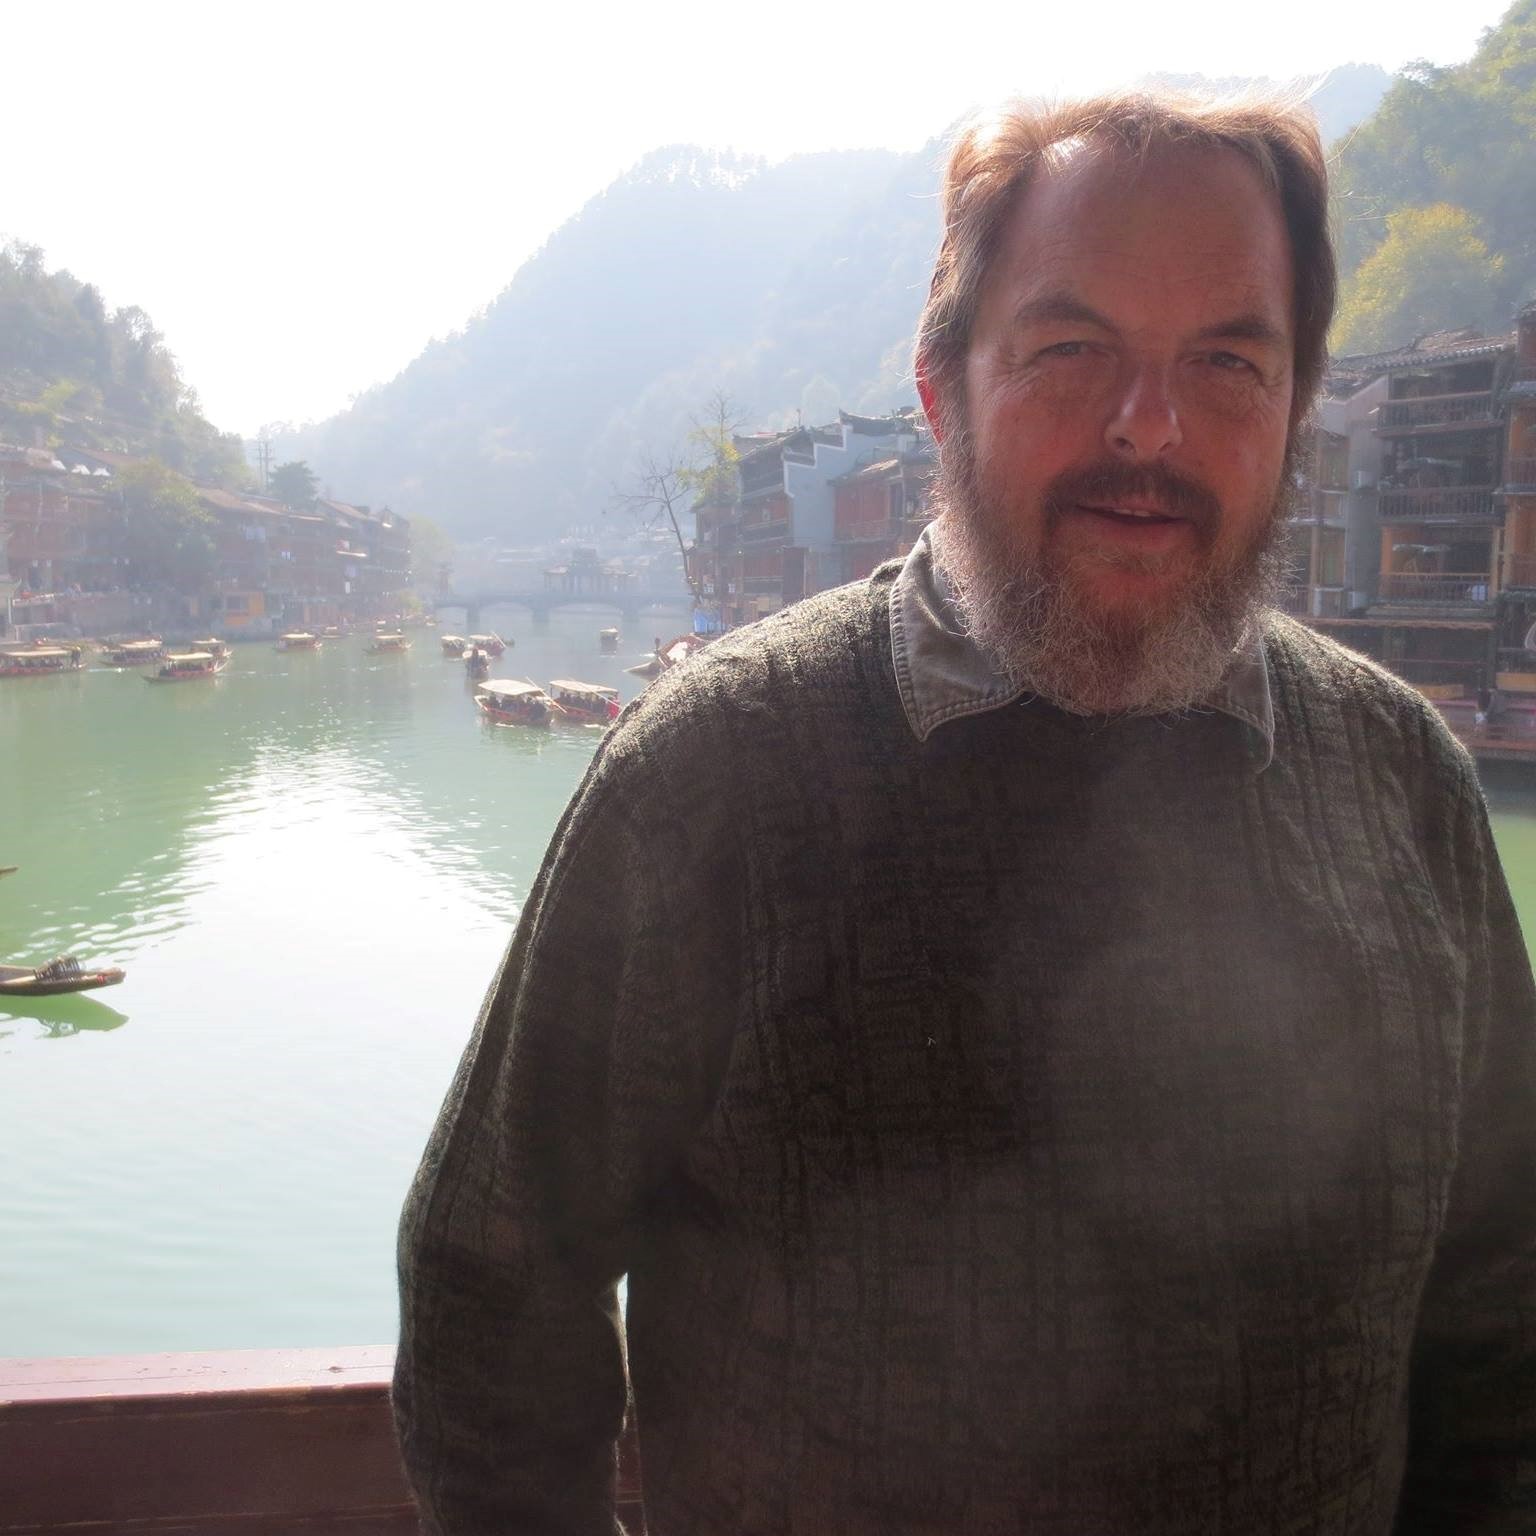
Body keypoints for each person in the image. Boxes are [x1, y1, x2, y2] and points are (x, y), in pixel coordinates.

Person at [394, 92, 1536, 1535]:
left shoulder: (1404, 786)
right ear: (943, 392)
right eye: (1073, 351)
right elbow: (493, 1292)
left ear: (1294, 410)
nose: (1151, 426)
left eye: (1229, 362)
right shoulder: (717, 776)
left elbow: (1502, 1312)